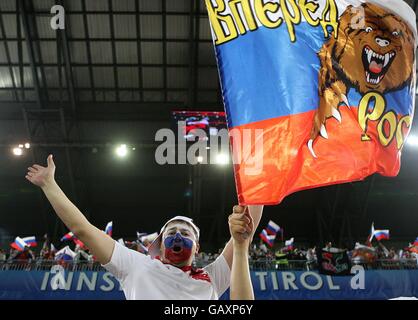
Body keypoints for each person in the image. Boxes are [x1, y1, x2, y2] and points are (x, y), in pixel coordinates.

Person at [26, 155, 263, 300]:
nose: (178, 235)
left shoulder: (212, 276)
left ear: (198, 247)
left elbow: (246, 230)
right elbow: (83, 229)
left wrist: (263, 171)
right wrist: (49, 185)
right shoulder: (135, 265)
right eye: (171, 232)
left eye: (185, 232)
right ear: (158, 245)